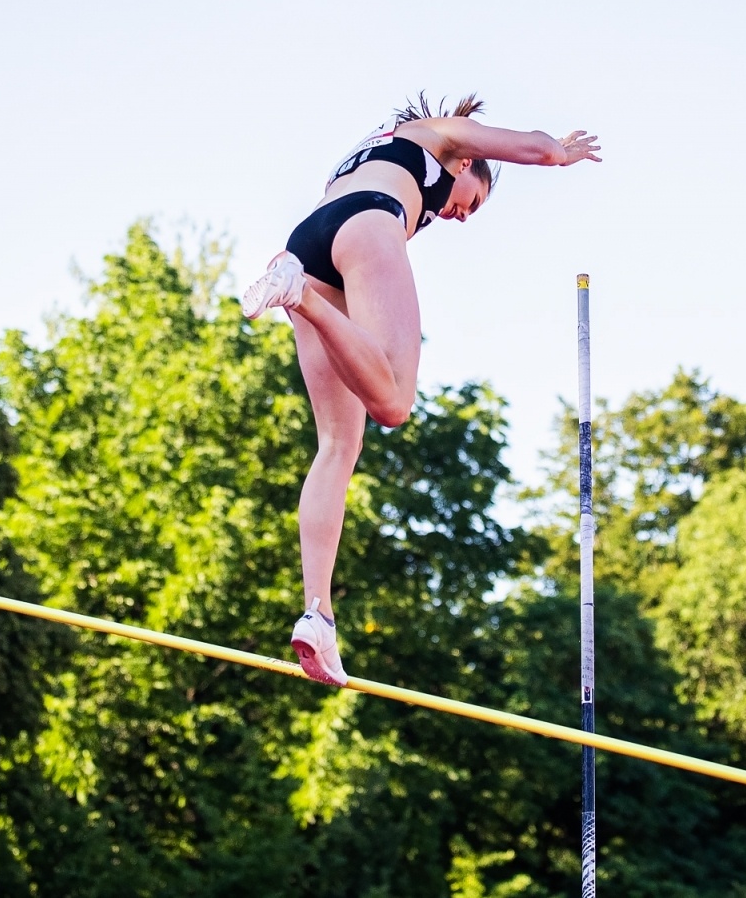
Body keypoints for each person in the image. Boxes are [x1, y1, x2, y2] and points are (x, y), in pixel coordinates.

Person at [241, 95, 600, 686]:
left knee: (337, 444)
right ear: (464, 169)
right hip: (365, 224)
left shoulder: (370, 152)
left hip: (306, 242)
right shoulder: (439, 137)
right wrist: (561, 153)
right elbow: (529, 145)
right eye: (473, 202)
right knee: (395, 402)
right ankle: (297, 293)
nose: (463, 215)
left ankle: (317, 614)